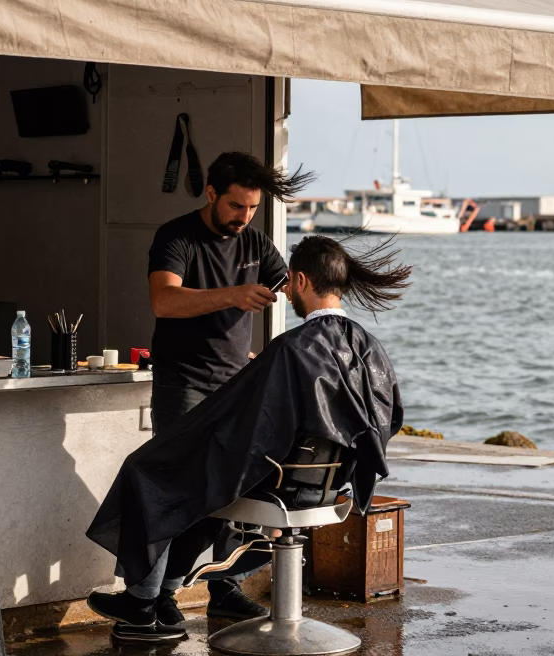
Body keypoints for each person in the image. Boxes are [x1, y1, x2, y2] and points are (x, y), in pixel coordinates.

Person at [86, 235, 411, 643]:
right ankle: (163, 597)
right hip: (328, 487)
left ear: (299, 281)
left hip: (281, 487)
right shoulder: (367, 346)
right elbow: (388, 416)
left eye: (289, 284)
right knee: (196, 478)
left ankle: (141, 605)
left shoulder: (292, 349)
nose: (288, 289)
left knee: (149, 470)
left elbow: (249, 427)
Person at [145, 151, 312, 623]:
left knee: (240, 493)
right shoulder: (176, 237)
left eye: (253, 209)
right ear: (212, 193)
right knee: (184, 495)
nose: (244, 218)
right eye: (237, 206)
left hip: (238, 388)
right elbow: (164, 300)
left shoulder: (257, 243)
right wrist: (233, 295)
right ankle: (156, 597)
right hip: (183, 386)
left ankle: (223, 587)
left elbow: (296, 286)